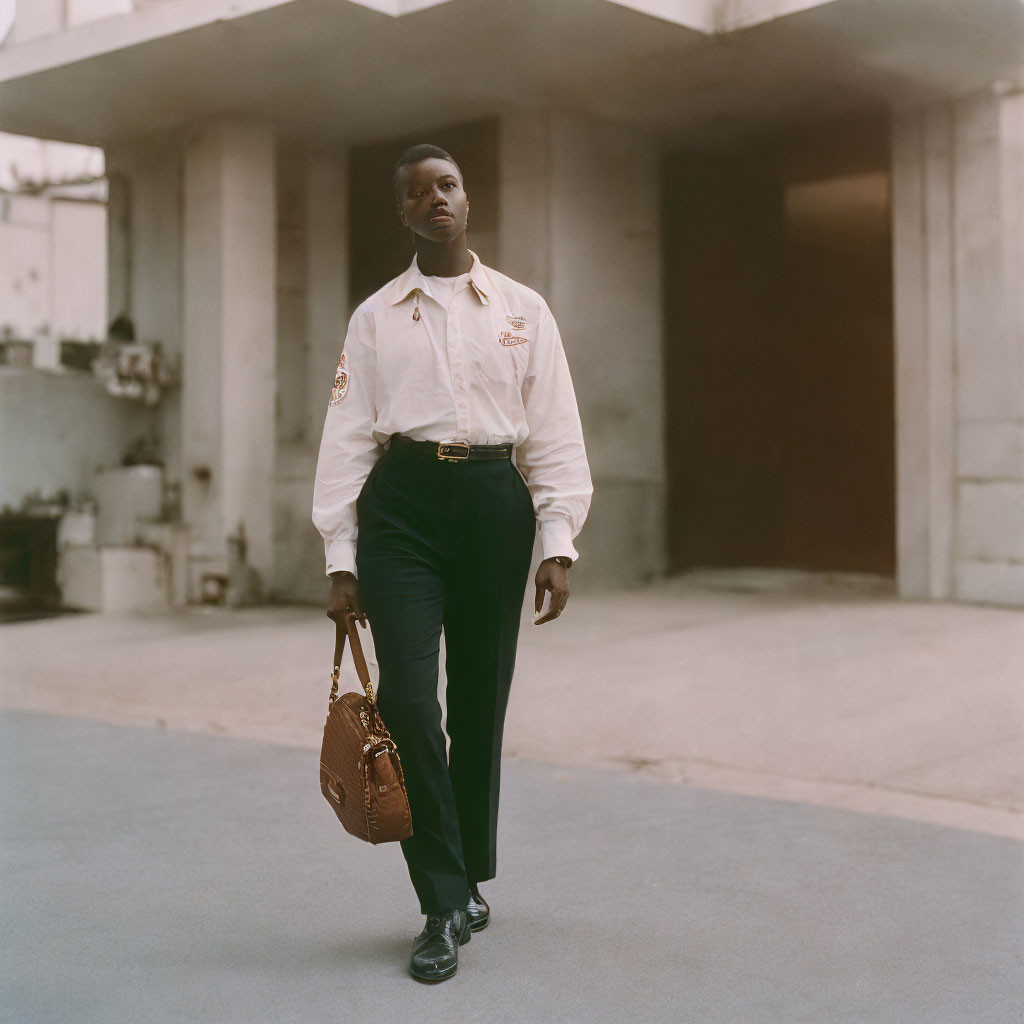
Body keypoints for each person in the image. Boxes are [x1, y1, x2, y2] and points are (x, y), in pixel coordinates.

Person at [312, 144, 592, 982]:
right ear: (402, 212)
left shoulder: (520, 308)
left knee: (478, 702)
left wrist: (557, 540)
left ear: (468, 200)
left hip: (491, 505)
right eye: (417, 192)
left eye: (448, 185)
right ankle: (439, 901)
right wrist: (339, 553)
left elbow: (553, 429)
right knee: (405, 697)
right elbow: (348, 435)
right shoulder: (375, 317)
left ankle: (467, 877)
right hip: (401, 507)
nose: (435, 199)